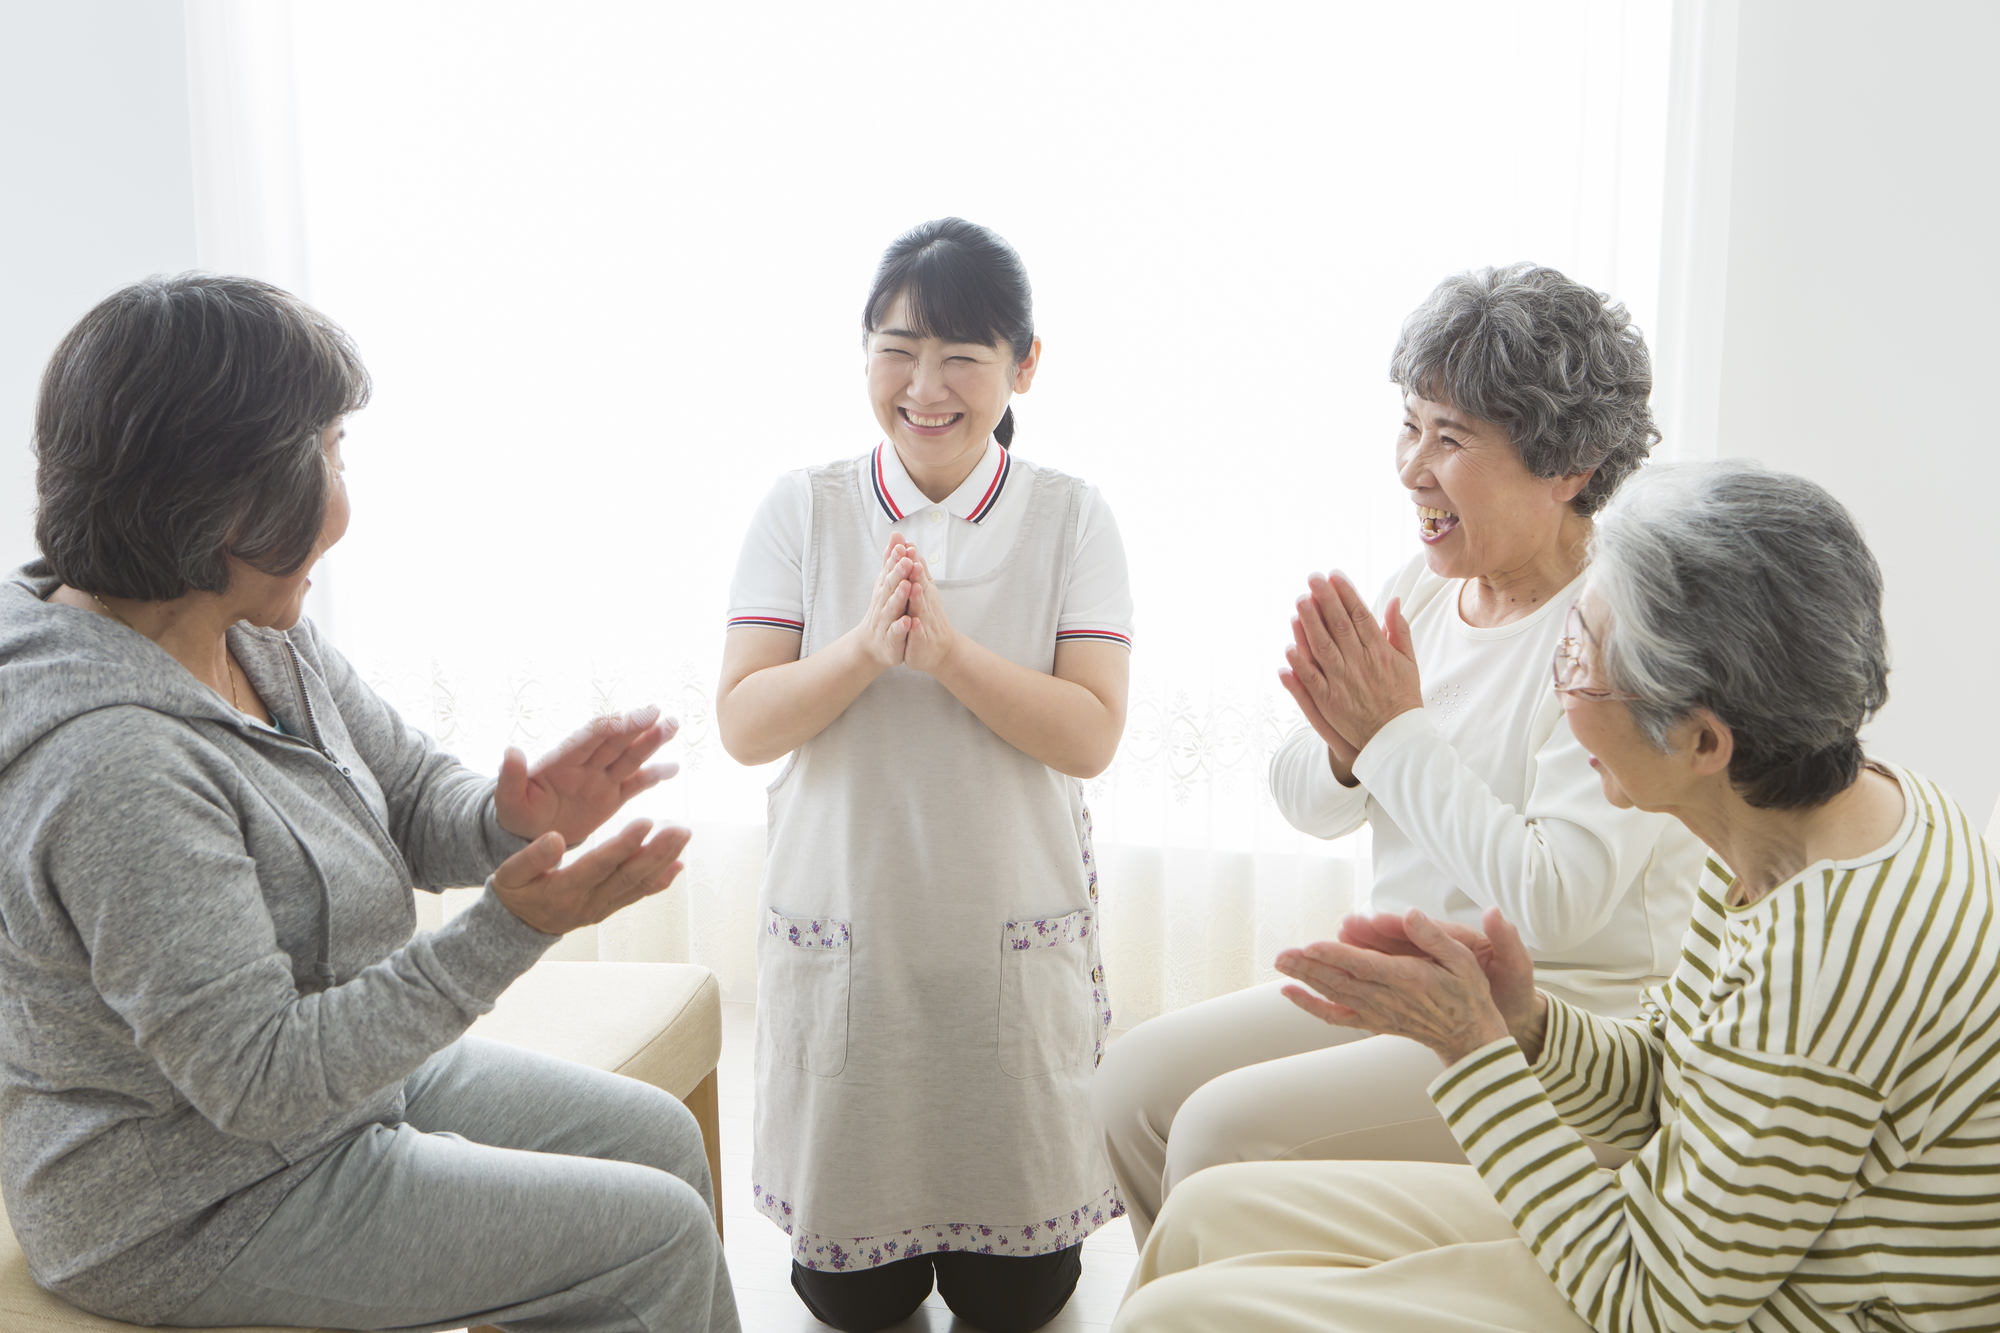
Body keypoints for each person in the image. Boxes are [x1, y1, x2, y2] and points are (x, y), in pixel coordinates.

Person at [0, 275, 739, 1333]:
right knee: (655, 1236)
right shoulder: (114, 763)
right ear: (228, 497)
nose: (344, 505)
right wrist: (509, 928)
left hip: (335, 1095)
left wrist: (511, 818)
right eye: (332, 455)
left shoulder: (250, 630)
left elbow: (402, 792)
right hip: (195, 1201)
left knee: (656, 1142)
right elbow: (258, 1081)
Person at [1117, 460, 2000, 1333]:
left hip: (1734, 1301)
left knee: (1180, 1313)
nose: (1559, 683)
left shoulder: (1828, 960)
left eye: (1580, 657)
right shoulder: (1802, 818)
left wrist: (1474, 1051)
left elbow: (1657, 1302)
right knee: (1204, 1217)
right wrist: (1528, 1025)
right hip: (1682, 1243)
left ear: (1702, 741)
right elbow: (1672, 1081)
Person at [1092, 264, 1704, 1242]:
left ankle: (1227, 1298)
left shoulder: (1617, 631)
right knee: (1132, 1083)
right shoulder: (1422, 590)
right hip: (1410, 984)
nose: (1412, 466)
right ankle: (1204, 1299)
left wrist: (1391, 734)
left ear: (1569, 465)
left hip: (1555, 1022)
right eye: (1409, 425)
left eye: (1449, 438)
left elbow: (1554, 897)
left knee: (1218, 1130)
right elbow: (1307, 798)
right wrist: (1351, 752)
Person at [717, 217, 1133, 1333]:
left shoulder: (1070, 518)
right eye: (897, 349)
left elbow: (1091, 733)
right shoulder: (803, 508)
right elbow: (745, 722)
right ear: (863, 353)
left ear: (1024, 365)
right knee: (851, 1306)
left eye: (961, 355)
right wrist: (864, 649)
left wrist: (948, 656)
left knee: (1018, 1305)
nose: (924, 385)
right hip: (853, 944)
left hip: (1005, 947)